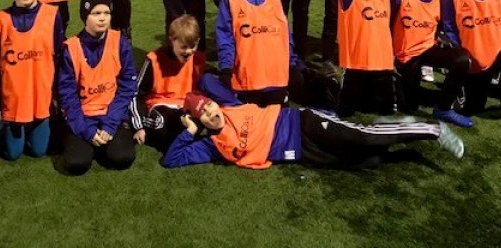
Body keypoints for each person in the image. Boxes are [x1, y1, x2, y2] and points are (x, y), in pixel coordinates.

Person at [161, 74, 464, 170]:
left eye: (211, 106)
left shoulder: (232, 105)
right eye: (205, 113)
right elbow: (171, 160)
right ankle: (397, 133)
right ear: (198, 120)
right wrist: (189, 130)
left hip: (300, 122)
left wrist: (199, 95)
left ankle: (431, 128)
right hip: (301, 153)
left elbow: (206, 79)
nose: (212, 113)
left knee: (363, 137)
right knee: (368, 161)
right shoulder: (212, 147)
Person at [0, 0, 64, 160]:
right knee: (13, 154)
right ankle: (2, 125)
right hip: (13, 97)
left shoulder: (52, 15)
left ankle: (33, 125)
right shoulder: (1, 19)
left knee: (39, 151)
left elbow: (60, 57)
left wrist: (58, 94)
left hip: (41, 95)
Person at [392, 0, 473, 127]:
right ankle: (398, 83)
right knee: (409, 106)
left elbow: (445, 22)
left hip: (429, 48)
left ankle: (443, 107)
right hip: (406, 55)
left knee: (462, 60)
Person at [57, 0, 137, 174]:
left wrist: (110, 125)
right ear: (85, 16)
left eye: (107, 13)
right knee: (77, 163)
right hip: (83, 117)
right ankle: (90, 142)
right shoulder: (71, 48)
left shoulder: (120, 42)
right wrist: (86, 131)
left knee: (122, 158)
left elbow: (127, 87)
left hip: (111, 114)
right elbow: (67, 95)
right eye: (96, 13)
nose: (102, 18)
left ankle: (104, 142)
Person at [216, 0, 304, 106]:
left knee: (277, 128)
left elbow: (285, 34)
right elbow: (225, 37)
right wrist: (226, 68)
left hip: (277, 79)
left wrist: (292, 64)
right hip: (248, 82)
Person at [130, 15, 206, 153]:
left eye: (192, 46)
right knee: (161, 125)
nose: (189, 51)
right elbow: (136, 93)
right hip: (160, 105)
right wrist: (138, 126)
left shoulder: (199, 59)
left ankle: (176, 141)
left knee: (204, 121)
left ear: (198, 41)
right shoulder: (153, 60)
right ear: (171, 41)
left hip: (186, 106)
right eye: (183, 47)